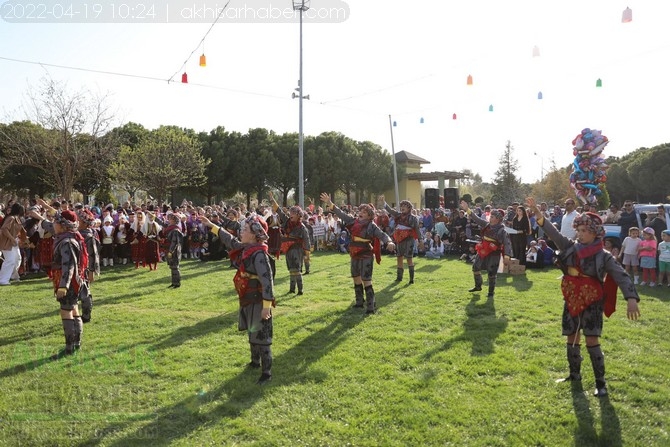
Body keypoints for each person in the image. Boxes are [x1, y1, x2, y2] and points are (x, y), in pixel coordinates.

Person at [527, 197, 640, 397]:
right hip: (571, 297)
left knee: (592, 340)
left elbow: (621, 275)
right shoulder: (569, 246)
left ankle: (601, 383)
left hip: (593, 301)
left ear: (595, 233)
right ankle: (574, 374)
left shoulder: (604, 255)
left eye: (584, 231)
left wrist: (631, 298)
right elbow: (553, 233)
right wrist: (538, 214)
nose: (579, 234)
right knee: (572, 336)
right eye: (578, 230)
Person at [200, 213, 276, 384]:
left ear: (255, 234)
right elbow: (230, 240)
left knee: (262, 338)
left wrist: (266, 307)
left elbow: (267, 281)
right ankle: (255, 362)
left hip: (258, 301)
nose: (241, 231)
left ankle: (267, 373)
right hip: (247, 298)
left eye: (246, 229)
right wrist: (212, 225)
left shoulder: (260, 254)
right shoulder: (246, 248)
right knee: (252, 331)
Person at [29, 202, 91, 358]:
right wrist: (40, 215)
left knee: (66, 311)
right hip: (74, 280)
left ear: (63, 226)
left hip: (69, 281)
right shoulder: (68, 235)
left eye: (56, 222)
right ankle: (75, 343)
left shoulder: (66, 242)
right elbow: (49, 225)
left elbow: (68, 265)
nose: (53, 224)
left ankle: (69, 346)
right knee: (74, 309)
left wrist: (63, 286)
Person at [321, 193, 395, 313]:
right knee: (356, 277)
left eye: (364, 212)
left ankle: (371, 306)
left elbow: (383, 235)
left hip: (366, 253)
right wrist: (330, 203)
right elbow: (340, 213)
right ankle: (359, 302)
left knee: (366, 279)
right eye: (360, 211)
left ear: (369, 215)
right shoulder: (352, 221)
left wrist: (389, 242)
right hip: (354, 253)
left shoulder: (372, 226)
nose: (361, 213)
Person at [460, 201, 512, 298]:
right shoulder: (486, 225)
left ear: (497, 219)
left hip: (494, 253)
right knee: (475, 267)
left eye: (492, 217)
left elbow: (507, 243)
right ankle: (478, 286)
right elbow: (476, 219)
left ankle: (491, 292)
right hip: (483, 250)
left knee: (491, 272)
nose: (490, 218)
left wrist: (507, 256)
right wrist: (467, 209)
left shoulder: (502, 230)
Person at [383, 197, 420, 284]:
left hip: (409, 239)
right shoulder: (398, 215)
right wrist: (384, 203)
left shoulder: (413, 218)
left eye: (405, 206)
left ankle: (411, 279)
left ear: (409, 208)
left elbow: (417, 230)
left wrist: (420, 240)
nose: (402, 207)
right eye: (401, 206)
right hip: (399, 239)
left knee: (409, 259)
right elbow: (391, 211)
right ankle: (399, 278)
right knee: (399, 257)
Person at [0, 202, 25, 286]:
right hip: (7, 242)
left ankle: (14, 275)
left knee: (17, 258)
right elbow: (4, 229)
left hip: (13, 242)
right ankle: (3, 280)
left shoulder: (16, 218)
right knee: (9, 260)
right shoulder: (10, 218)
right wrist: (11, 238)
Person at [161, 213, 183, 288]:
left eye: (170, 218)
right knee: (172, 267)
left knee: (175, 267)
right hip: (169, 249)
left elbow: (174, 242)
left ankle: (177, 283)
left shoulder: (175, 230)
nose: (168, 220)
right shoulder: (170, 227)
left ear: (174, 220)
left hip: (174, 251)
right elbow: (162, 223)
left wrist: (171, 251)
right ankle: (174, 282)